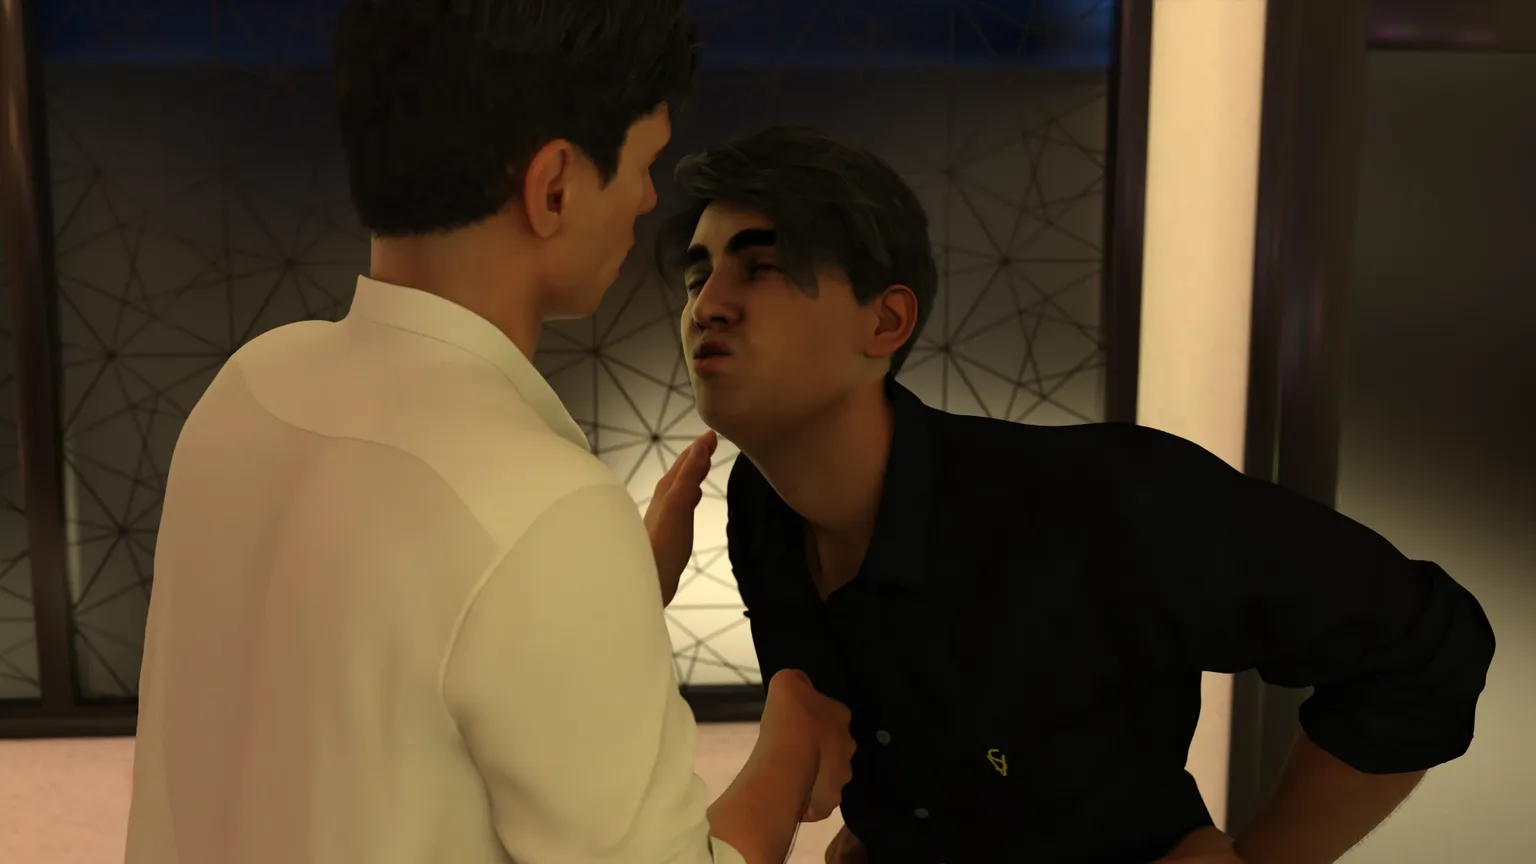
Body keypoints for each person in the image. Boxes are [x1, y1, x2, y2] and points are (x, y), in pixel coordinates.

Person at [124, 7, 854, 864]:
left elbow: (366, 675)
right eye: (644, 165)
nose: (648, 199)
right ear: (555, 187)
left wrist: (605, 599)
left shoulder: (250, 386)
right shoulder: (541, 506)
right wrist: (787, 752)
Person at [657, 125, 1497, 864]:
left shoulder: (1098, 503)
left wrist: (1268, 859)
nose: (708, 306)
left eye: (761, 268)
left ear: (885, 323)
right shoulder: (762, 512)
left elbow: (1425, 647)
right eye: (697, 276)